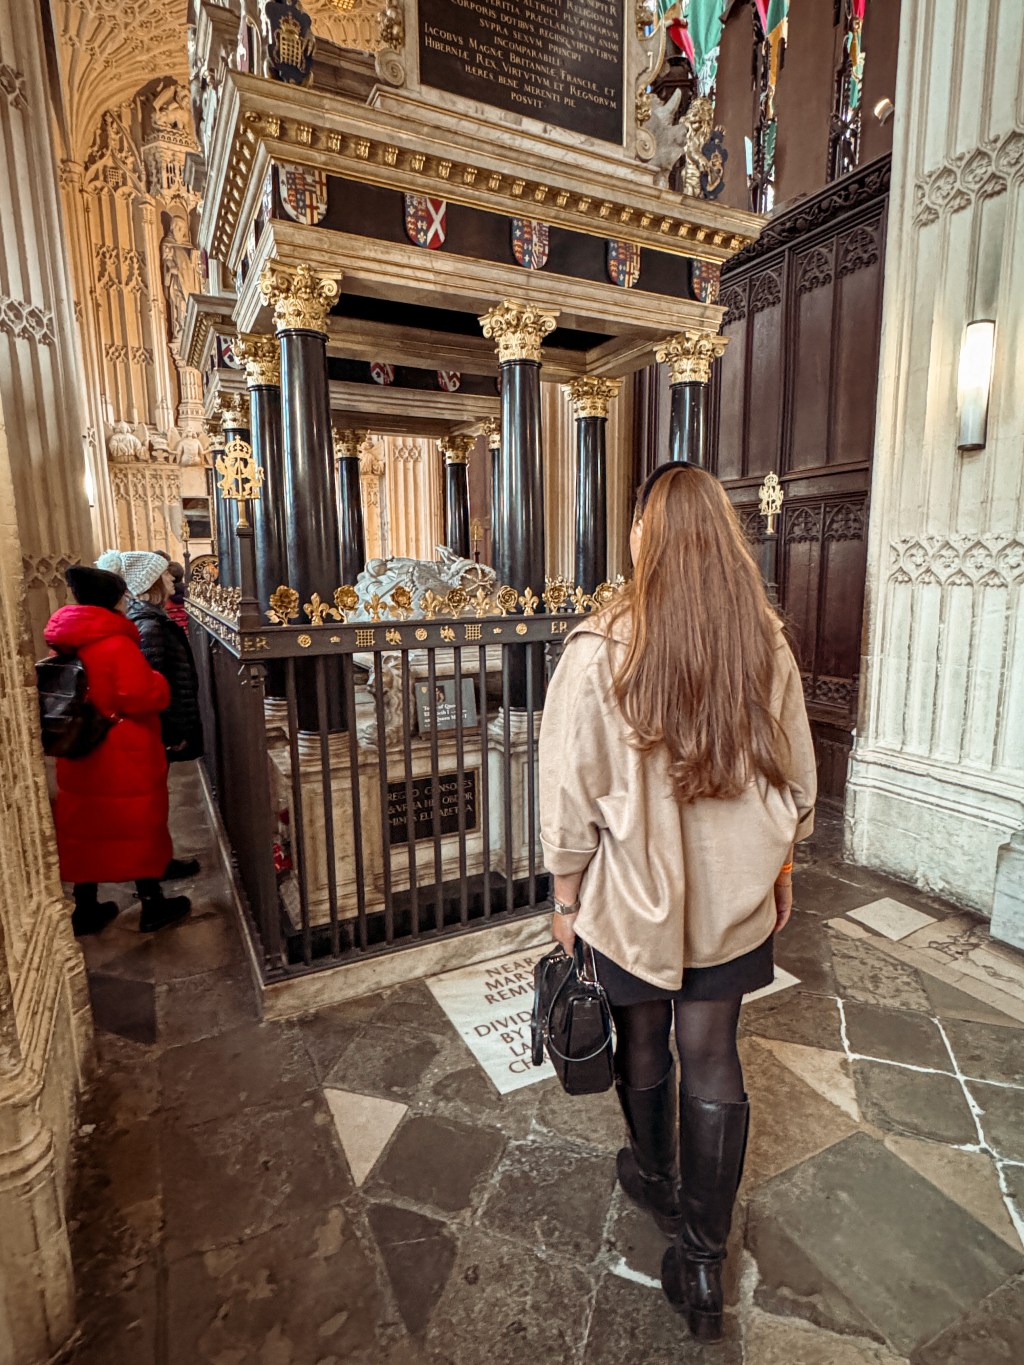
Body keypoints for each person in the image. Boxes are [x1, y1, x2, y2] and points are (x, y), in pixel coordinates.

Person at [538, 464, 816, 1345]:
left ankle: (655, 1177)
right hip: (734, 892)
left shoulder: (602, 644)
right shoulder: (762, 638)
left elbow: (568, 784)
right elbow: (796, 776)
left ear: (643, 537)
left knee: (645, 1039)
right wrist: (779, 872)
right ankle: (702, 1260)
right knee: (714, 1050)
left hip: (632, 896)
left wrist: (564, 891)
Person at [44, 566, 192, 935]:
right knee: (135, 822)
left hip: (82, 746)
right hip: (120, 750)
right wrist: (157, 681)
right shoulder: (113, 642)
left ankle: (86, 906)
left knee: (87, 828)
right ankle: (153, 903)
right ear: (114, 598)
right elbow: (141, 694)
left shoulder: (71, 638)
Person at [96, 549, 204, 878]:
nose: (173, 577)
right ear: (151, 582)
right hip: (155, 731)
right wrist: (172, 733)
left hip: (158, 729)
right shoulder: (149, 626)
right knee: (148, 805)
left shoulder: (150, 620)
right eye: (165, 574)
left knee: (155, 802)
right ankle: (154, 870)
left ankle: (159, 861)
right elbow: (154, 685)